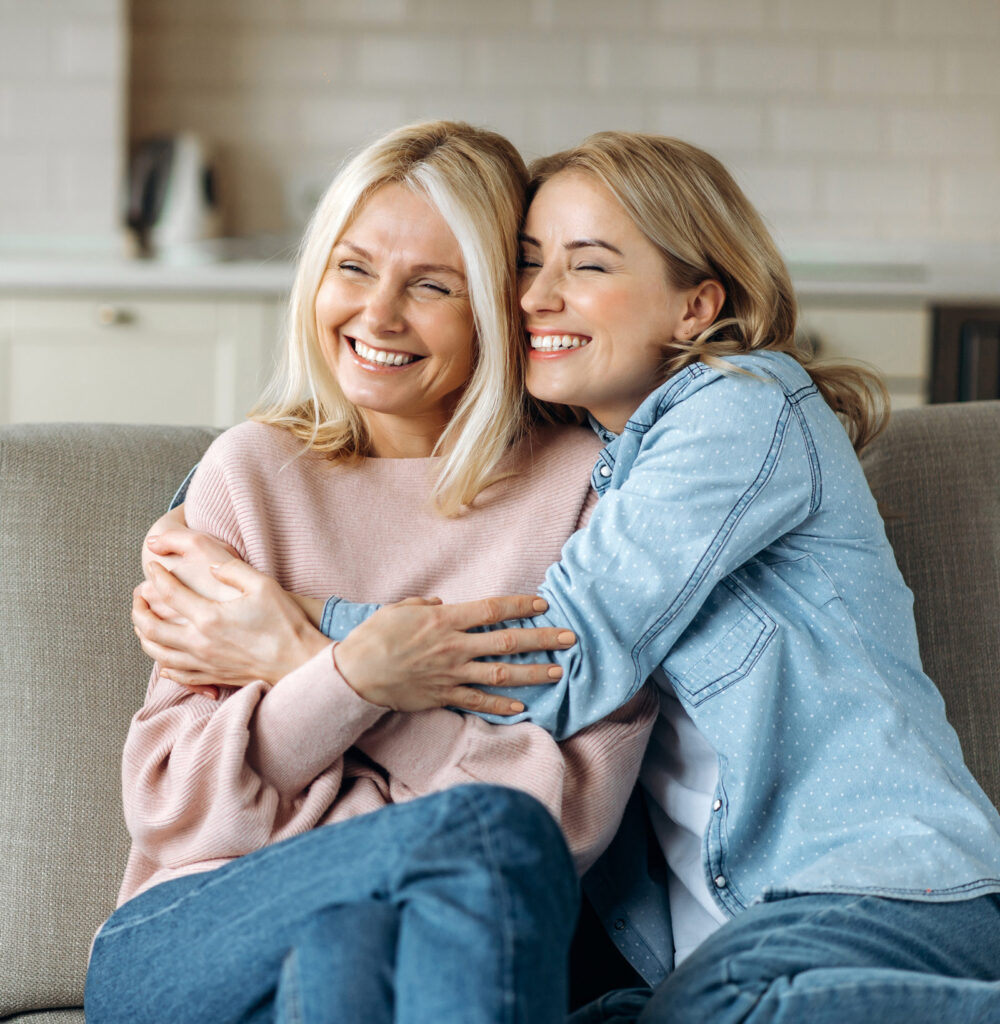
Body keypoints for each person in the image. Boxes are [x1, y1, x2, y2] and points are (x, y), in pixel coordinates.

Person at [140, 132, 1000, 1023]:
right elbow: (335, 461)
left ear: (697, 305)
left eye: (586, 266)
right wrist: (196, 510)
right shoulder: (603, 459)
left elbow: (565, 662)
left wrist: (299, 637)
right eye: (526, 264)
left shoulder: (739, 406)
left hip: (863, 886)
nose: (537, 296)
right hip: (711, 943)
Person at [85, 121, 658, 1024]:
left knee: (362, 938)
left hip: (399, 941)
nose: (378, 315)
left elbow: (563, 825)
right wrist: (355, 677)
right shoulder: (248, 476)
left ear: (500, 310)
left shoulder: (587, 497)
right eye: (353, 269)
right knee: (473, 835)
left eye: (430, 285)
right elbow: (176, 802)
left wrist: (301, 663)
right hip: (193, 930)